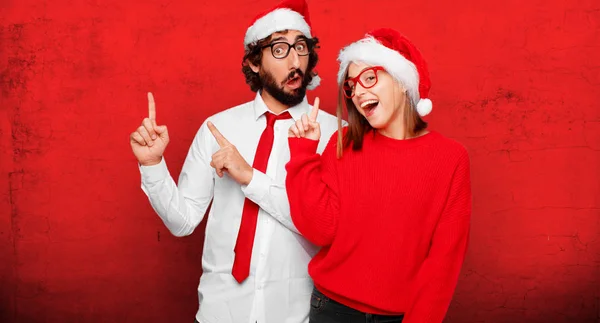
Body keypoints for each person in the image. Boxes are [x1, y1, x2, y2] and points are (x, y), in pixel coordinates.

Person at [128, 0, 339, 322]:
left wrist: (249, 177)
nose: (295, 60)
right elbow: (182, 222)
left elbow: (329, 229)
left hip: (296, 314)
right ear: (255, 62)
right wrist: (152, 165)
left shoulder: (335, 134)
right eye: (280, 48)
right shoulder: (218, 127)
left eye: (301, 46)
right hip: (220, 310)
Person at [285, 28, 472, 323]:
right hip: (332, 310)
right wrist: (302, 155)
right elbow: (319, 229)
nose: (357, 92)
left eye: (369, 78)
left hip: (399, 317)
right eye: (350, 86)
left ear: (402, 82)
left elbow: (443, 262)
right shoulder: (345, 142)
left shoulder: (450, 158)